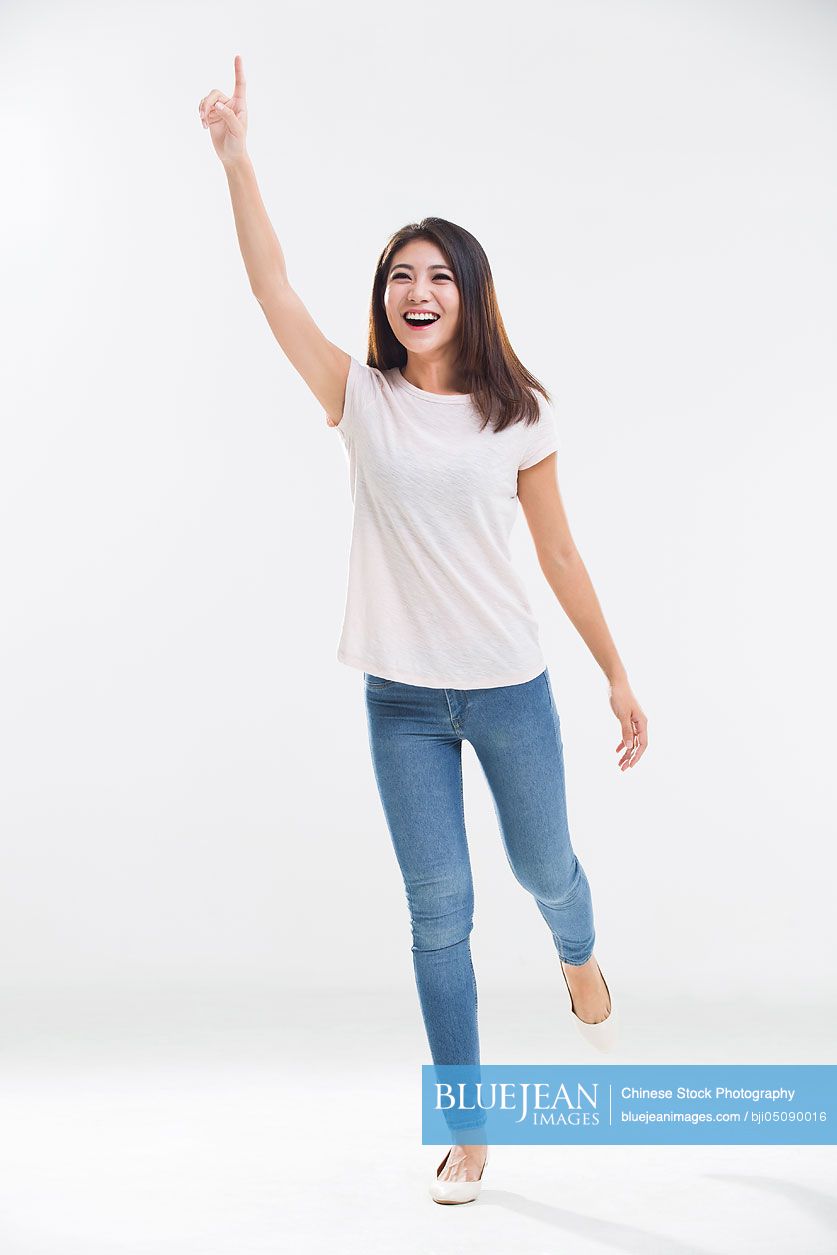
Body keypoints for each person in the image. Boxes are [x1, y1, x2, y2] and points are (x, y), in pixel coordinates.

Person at [198, 55, 649, 1207]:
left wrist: (616, 676)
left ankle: (579, 953)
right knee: (437, 909)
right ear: (385, 296)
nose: (417, 289)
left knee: (543, 867)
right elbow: (273, 294)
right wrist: (239, 160)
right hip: (399, 699)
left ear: (471, 294)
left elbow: (558, 554)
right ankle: (469, 1127)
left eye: (438, 275)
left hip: (509, 687)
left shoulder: (519, 413)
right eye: (401, 275)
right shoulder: (360, 398)